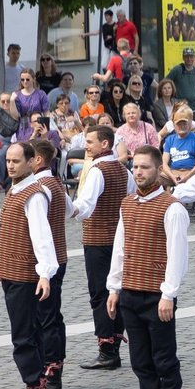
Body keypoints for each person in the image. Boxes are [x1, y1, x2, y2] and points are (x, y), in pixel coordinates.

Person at [104, 146, 188, 389]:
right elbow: (120, 248)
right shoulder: (127, 204)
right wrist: (114, 288)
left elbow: (177, 254)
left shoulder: (172, 207)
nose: (139, 172)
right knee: (140, 360)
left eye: (145, 167)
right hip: (130, 292)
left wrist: (169, 294)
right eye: (135, 167)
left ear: (158, 171)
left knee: (163, 359)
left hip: (157, 296)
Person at [0, 142, 58, 389]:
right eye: (8, 160)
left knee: (24, 337)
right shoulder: (16, 190)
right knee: (28, 334)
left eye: (16, 161)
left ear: (32, 162)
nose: (10, 165)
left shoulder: (34, 195)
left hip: (24, 276)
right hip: (11, 274)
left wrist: (45, 273)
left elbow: (42, 237)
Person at [69, 124, 135, 371]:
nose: (86, 146)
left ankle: (106, 349)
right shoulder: (122, 170)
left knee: (100, 293)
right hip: (118, 238)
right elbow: (129, 199)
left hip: (98, 240)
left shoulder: (97, 170)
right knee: (115, 289)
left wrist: (68, 209)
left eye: (90, 142)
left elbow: (85, 206)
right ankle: (114, 344)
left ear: (105, 144)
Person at [160, 109, 195, 186]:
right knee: (155, 172)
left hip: (192, 171)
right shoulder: (169, 139)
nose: (182, 126)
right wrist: (173, 177)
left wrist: (186, 177)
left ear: (190, 123)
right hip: (173, 173)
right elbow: (164, 163)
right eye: (179, 124)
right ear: (174, 125)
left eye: (184, 123)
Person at [166, 49, 195, 123]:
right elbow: (166, 82)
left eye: (191, 57)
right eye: (187, 57)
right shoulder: (177, 70)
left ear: (194, 57)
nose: (189, 59)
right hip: (183, 108)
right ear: (183, 58)